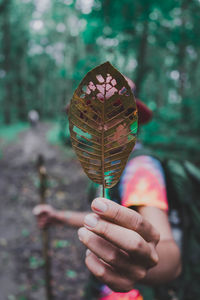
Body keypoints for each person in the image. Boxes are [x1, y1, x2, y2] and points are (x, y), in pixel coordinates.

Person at [33, 78, 181, 300]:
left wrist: (146, 261)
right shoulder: (109, 165)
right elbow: (106, 218)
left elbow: (170, 259)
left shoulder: (140, 170)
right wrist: (60, 217)